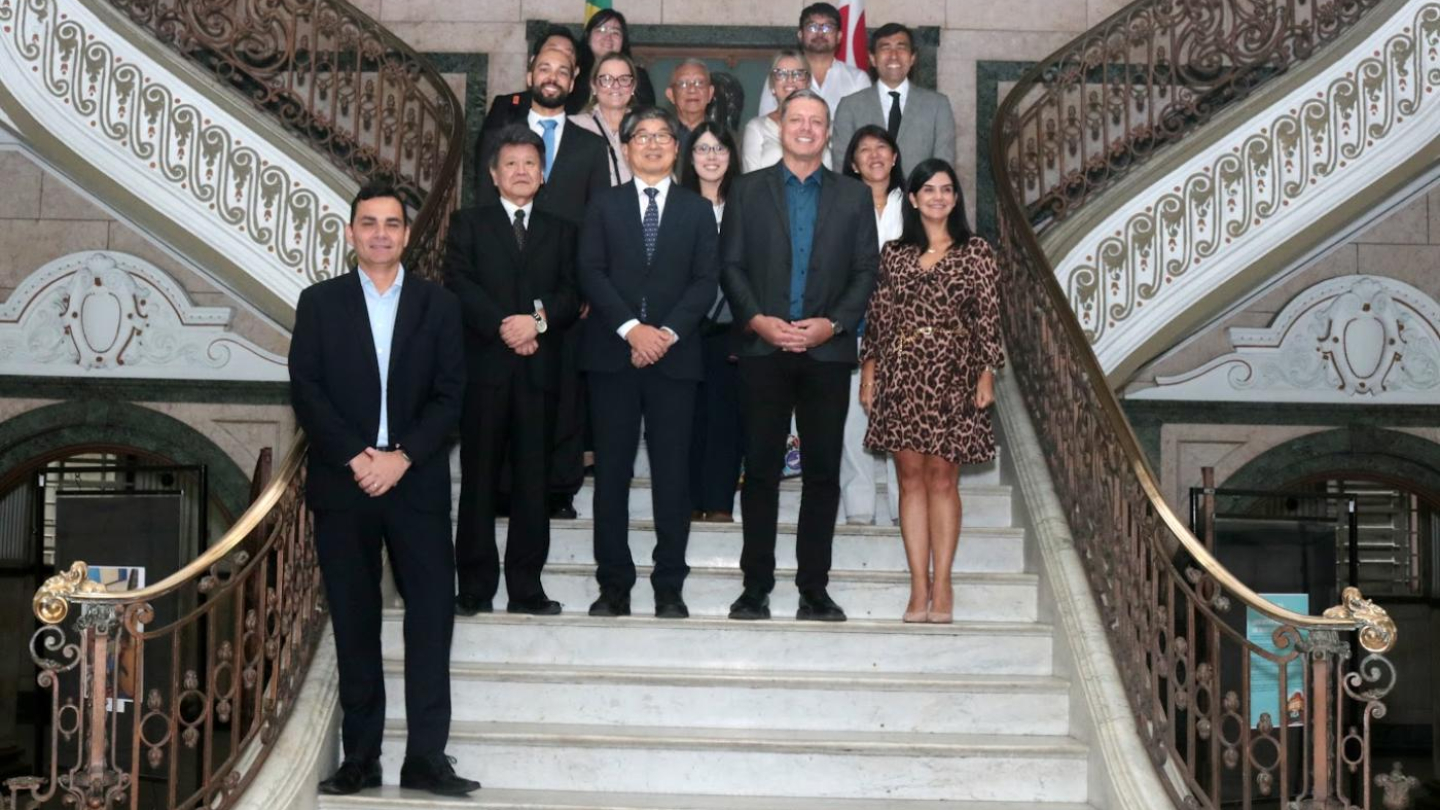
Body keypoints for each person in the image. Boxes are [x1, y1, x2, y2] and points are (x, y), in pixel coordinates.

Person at [289, 184, 477, 797]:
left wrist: (401, 458)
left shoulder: (439, 305)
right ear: (350, 233)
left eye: (392, 223)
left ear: (406, 235)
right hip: (344, 486)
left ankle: (426, 758)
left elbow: (451, 396)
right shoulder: (318, 303)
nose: (380, 233)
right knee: (354, 620)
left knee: (430, 621)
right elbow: (307, 389)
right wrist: (356, 456)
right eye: (367, 223)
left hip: (414, 482)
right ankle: (360, 758)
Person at [719, 89, 878, 622]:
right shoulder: (746, 190)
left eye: (816, 121)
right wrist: (758, 319)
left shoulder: (853, 197)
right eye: (797, 120)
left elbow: (864, 273)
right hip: (763, 347)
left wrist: (831, 325)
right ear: (780, 126)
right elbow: (732, 266)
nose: (806, 128)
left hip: (825, 352)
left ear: (828, 132)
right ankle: (755, 587)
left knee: (822, 476)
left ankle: (814, 589)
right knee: (760, 472)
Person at [578, 107, 720, 619]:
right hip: (613, 356)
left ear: (677, 147)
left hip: (675, 358)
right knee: (611, 475)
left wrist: (663, 333)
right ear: (626, 145)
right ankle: (613, 584)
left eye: (664, 136)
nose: (654, 144)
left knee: (672, 476)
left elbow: (706, 281)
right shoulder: (602, 205)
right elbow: (590, 271)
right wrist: (630, 330)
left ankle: (669, 584)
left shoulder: (696, 210)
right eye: (643, 136)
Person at [858, 159, 1004, 624]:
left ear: (956, 199)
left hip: (955, 374)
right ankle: (917, 584)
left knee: (943, 478)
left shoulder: (977, 251)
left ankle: (943, 584)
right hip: (901, 373)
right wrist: (869, 370)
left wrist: (987, 372)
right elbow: (880, 316)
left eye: (947, 189)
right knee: (908, 479)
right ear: (914, 198)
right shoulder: (895, 255)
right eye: (929, 189)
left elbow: (988, 316)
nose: (939, 196)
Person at [447, 126, 580, 618]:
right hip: (485, 371)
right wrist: (504, 326)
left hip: (541, 373)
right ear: (494, 173)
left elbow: (572, 293)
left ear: (542, 174)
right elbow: (458, 282)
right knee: (478, 482)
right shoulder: (467, 224)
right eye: (512, 163)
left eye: (531, 163)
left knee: (532, 484)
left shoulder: (562, 229)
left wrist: (535, 323)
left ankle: (527, 588)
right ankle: (474, 587)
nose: (521, 171)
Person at [475, 39, 610, 520]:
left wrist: (587, 287)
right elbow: (480, 197)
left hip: (563, 288)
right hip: (502, 281)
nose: (553, 76)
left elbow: (598, 219)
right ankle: (506, 489)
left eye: (563, 71)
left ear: (574, 84)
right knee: (506, 391)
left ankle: (558, 488)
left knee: (563, 392)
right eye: (545, 68)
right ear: (531, 74)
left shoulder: (591, 146)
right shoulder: (501, 129)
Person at [838, 125, 905, 526]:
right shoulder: (840, 204)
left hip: (903, 329)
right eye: (864, 149)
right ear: (852, 162)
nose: (875, 155)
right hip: (853, 323)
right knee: (852, 420)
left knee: (900, 420)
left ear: (895, 157)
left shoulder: (913, 204)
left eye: (883, 148)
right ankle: (859, 506)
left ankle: (903, 506)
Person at [680, 123, 743, 522]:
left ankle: (719, 502)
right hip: (683, 328)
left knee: (728, 417)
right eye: (703, 149)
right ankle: (687, 501)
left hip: (733, 329)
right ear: (689, 157)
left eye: (719, 148)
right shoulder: (676, 204)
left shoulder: (747, 202)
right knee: (686, 418)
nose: (712, 156)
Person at [832, 23, 956, 177]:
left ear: (912, 58)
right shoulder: (849, 106)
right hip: (864, 199)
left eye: (901, 47)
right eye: (885, 48)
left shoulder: (937, 105)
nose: (893, 55)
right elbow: (842, 167)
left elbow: (943, 167)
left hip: (918, 199)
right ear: (872, 58)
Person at [753, 3, 870, 118]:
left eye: (827, 28)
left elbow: (864, 128)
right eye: (812, 27)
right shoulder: (781, 75)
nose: (819, 33)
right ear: (800, 34)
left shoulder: (857, 80)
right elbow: (767, 124)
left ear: (839, 36)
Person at [741, 50, 831, 173]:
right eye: (781, 74)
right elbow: (750, 183)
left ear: (808, 82)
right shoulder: (756, 128)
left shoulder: (821, 125)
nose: (790, 80)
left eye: (798, 74)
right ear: (772, 85)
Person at [479, 26, 580, 135]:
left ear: (575, 72)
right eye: (552, 50)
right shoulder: (508, 107)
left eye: (567, 54)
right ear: (533, 62)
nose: (558, 57)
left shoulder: (580, 115)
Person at [569, 8, 656, 113]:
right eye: (601, 30)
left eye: (615, 32)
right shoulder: (575, 76)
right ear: (588, 37)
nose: (608, 37)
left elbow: (648, 116)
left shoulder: (638, 76)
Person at [570, 52, 638, 186]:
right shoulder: (574, 126)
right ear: (594, 86)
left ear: (633, 86)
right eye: (607, 79)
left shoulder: (647, 127)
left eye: (624, 79)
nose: (616, 86)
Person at [665, 59, 714, 146]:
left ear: (710, 93)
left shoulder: (726, 137)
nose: (692, 89)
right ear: (671, 95)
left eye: (699, 83)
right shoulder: (661, 135)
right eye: (683, 84)